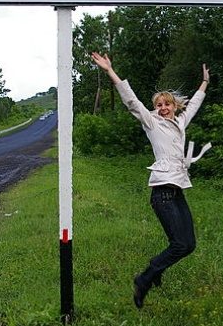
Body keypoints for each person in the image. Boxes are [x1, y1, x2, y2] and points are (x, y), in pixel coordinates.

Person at [90, 52, 211, 309]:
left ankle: (154, 272)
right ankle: (145, 278)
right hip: (162, 193)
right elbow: (131, 101)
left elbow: (194, 105)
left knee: (188, 245)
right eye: (159, 105)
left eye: (167, 104)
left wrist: (204, 82)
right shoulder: (152, 123)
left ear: (174, 107)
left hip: (176, 192)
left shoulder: (180, 123)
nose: (163, 108)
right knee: (179, 244)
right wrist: (110, 71)